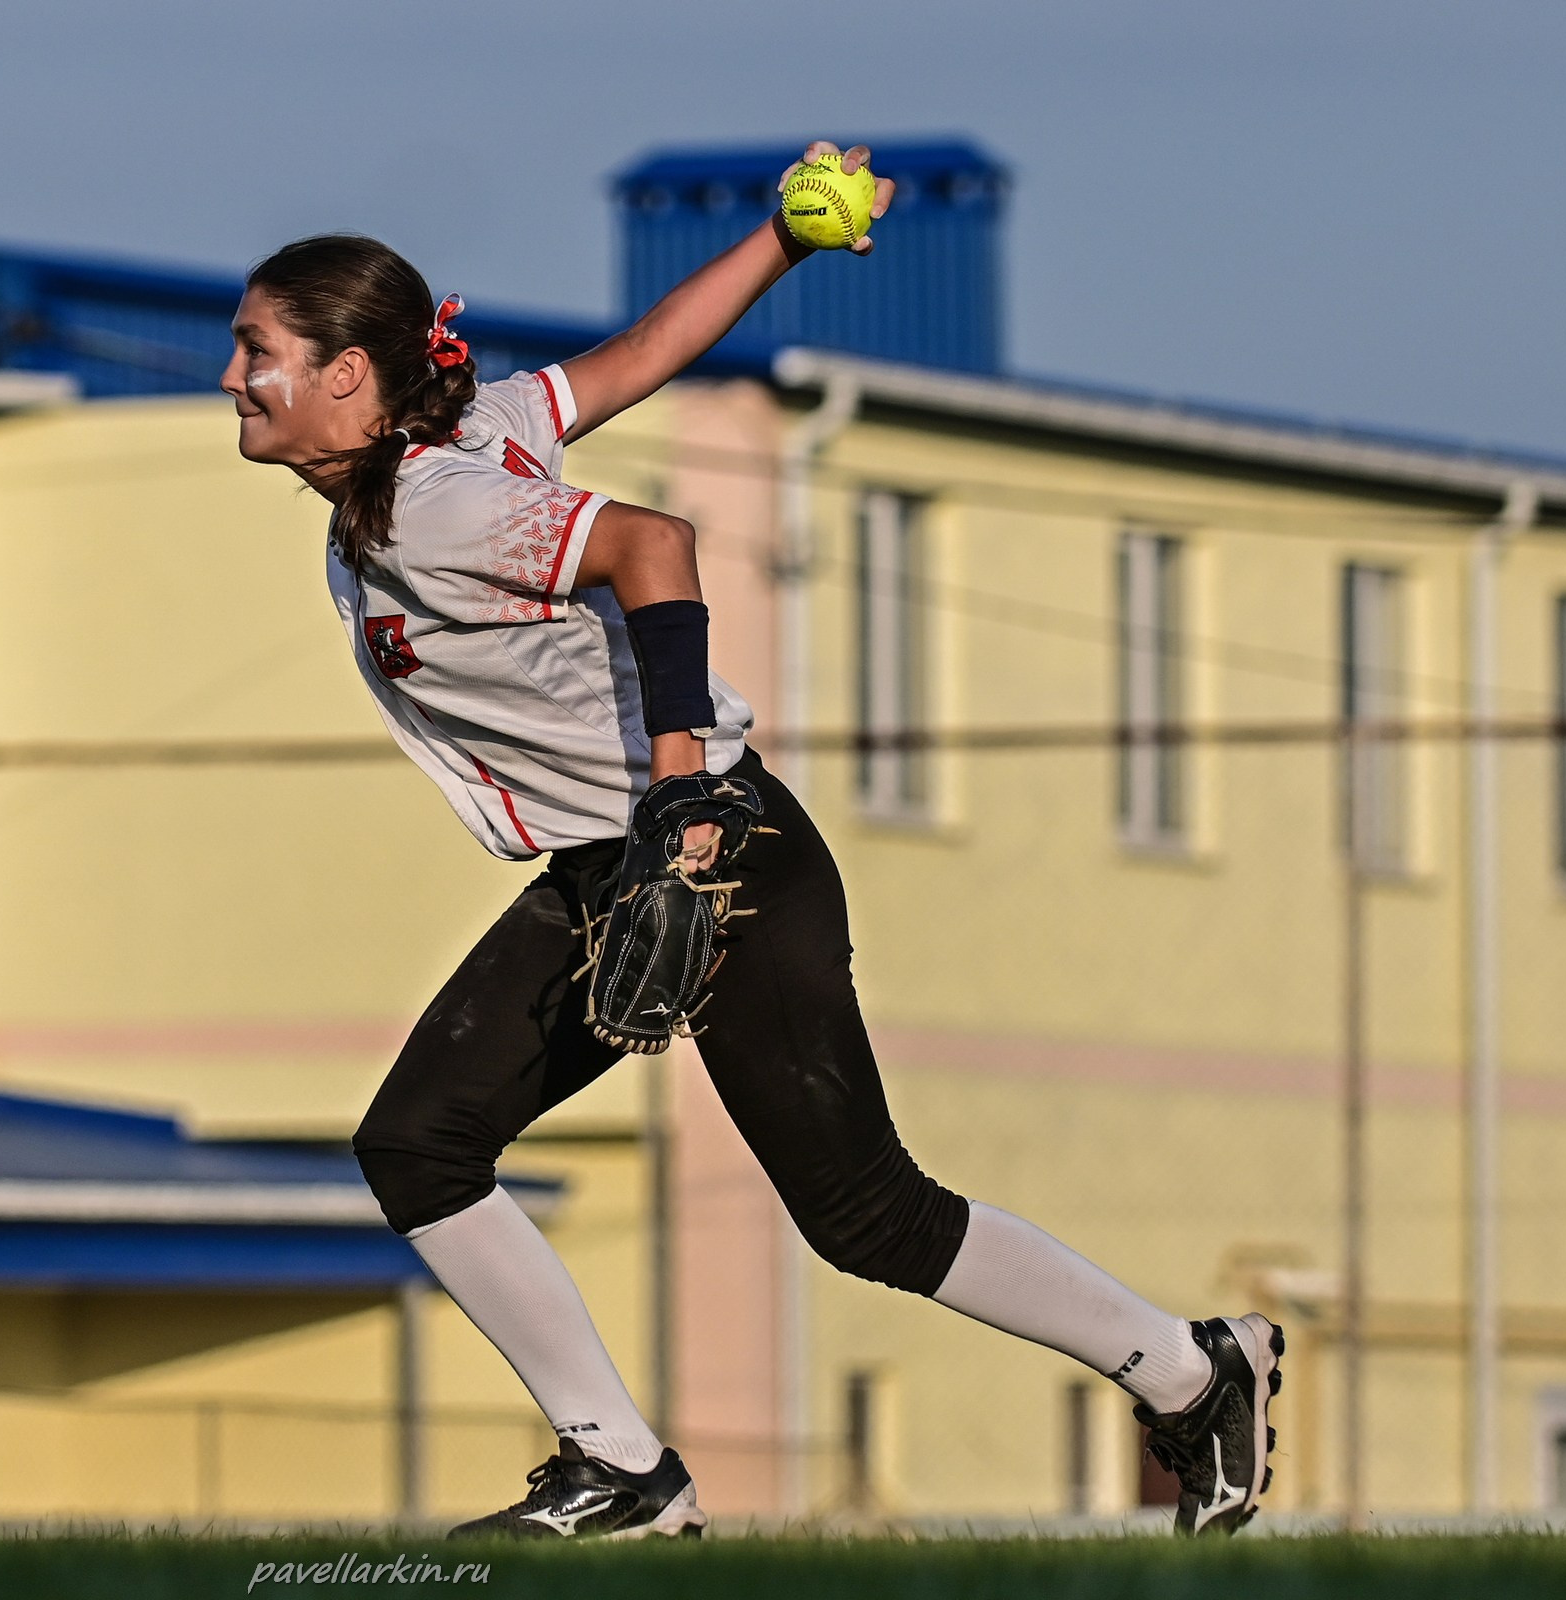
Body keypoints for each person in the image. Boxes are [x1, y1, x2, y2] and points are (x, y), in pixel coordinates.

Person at [218, 141, 1280, 1540]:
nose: (234, 376)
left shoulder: (438, 498)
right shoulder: (451, 451)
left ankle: (1191, 1372)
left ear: (349, 374)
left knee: (866, 1215)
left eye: (258, 350)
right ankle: (622, 1470)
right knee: (420, 1143)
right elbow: (646, 349)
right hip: (618, 864)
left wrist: (680, 794)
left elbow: (653, 543)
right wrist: (782, 237)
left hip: (722, 856)